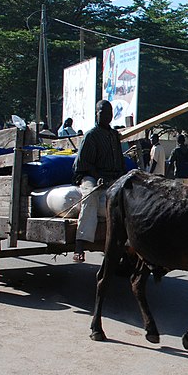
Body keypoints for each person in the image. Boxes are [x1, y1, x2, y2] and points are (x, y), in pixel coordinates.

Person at [72, 100, 126, 262]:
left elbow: (120, 162)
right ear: (96, 114)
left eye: (109, 114)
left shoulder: (114, 136)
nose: (106, 116)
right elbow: (83, 163)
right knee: (90, 198)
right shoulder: (91, 135)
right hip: (92, 176)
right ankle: (80, 244)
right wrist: (97, 177)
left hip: (113, 178)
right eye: (102, 113)